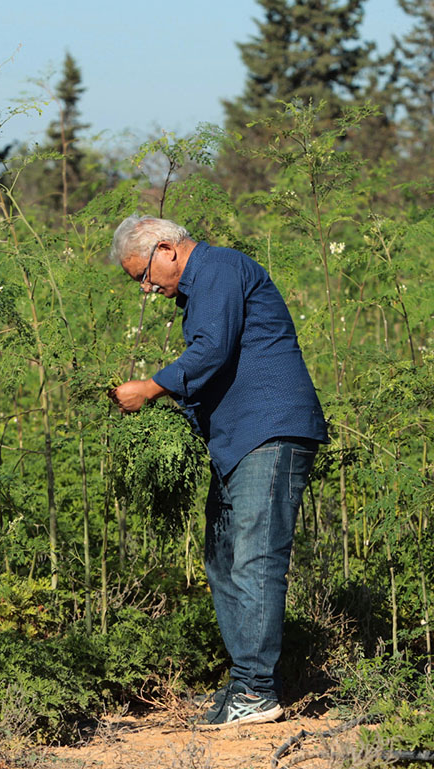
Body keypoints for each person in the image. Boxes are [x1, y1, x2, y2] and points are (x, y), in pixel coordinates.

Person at [107, 215, 328, 728]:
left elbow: (211, 350)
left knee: (253, 558)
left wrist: (152, 387)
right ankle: (247, 683)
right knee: (224, 559)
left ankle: (257, 690)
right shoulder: (204, 284)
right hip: (239, 442)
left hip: (268, 433)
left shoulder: (220, 268)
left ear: (167, 249)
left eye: (143, 274)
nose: (146, 288)